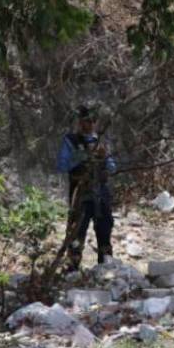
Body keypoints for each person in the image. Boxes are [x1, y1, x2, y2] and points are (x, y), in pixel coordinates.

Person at [57, 105, 116, 271]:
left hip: (101, 194)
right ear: (80, 122)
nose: (89, 125)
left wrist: (104, 157)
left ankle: (105, 269)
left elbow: (112, 168)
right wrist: (84, 155)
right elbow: (62, 165)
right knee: (77, 233)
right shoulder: (71, 141)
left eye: (92, 121)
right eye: (86, 121)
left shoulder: (101, 141)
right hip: (81, 194)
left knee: (104, 230)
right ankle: (73, 268)